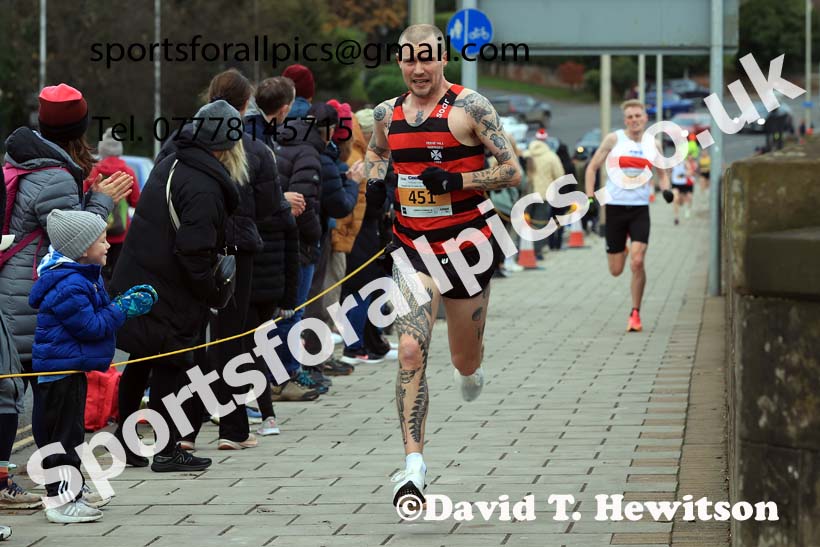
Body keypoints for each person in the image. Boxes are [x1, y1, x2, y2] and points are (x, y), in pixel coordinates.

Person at [364, 24, 521, 507]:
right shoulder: (388, 114)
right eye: (409, 59)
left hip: (467, 248)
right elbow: (376, 150)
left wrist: (456, 181)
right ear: (399, 62)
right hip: (412, 249)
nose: (418, 68)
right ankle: (413, 466)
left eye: (427, 58)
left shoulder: (469, 108)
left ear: (442, 59)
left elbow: (513, 169)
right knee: (410, 350)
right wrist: (375, 183)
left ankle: (471, 373)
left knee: (463, 360)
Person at [110, 100, 242, 471]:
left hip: (140, 279)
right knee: (172, 366)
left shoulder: (172, 162)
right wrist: (211, 292)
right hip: (170, 288)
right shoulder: (204, 184)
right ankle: (167, 450)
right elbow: (194, 251)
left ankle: (127, 443)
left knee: (140, 360)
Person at [156, 69, 277, 451]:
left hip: (189, 250)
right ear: (245, 105)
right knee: (232, 341)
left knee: (193, 340)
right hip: (237, 253)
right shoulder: (255, 149)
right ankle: (233, 428)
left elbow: (160, 187)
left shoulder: (178, 144)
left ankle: (187, 430)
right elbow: (271, 206)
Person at [29, 209, 156, 522]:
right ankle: (60, 501)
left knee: (71, 435)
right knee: (61, 437)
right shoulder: (69, 284)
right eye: (102, 240)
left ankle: (73, 489)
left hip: (69, 369)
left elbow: (99, 312)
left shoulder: (81, 275)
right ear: (82, 249)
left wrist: (121, 301)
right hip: (59, 373)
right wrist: (124, 308)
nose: (109, 245)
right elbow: (92, 326)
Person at [0, 83, 132, 371]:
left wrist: (90, 199)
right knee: (52, 406)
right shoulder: (55, 176)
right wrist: (102, 202)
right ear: (79, 130)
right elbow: (75, 243)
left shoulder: (24, 162)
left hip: (14, 291)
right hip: (32, 301)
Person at [243, 76, 301, 433]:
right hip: (258, 252)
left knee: (250, 337)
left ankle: (258, 412)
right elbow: (264, 201)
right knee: (253, 338)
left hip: (260, 252)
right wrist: (283, 203)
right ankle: (257, 413)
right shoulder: (259, 146)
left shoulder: (256, 137)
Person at [584, 99, 674, 333]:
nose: (635, 120)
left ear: (646, 118)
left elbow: (663, 174)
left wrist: (666, 189)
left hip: (639, 209)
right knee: (616, 271)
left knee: (638, 260)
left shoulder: (653, 144)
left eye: (638, 116)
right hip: (614, 208)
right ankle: (622, 249)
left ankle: (635, 313)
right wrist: (590, 198)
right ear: (626, 120)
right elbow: (592, 167)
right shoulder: (614, 139)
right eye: (630, 117)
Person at [0, 171, 41, 513]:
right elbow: (73, 237)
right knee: (7, 396)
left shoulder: (14, 173)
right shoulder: (53, 177)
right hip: (20, 302)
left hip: (10, 297)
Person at [84, 128, 141, 283]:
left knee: (97, 275)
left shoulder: (94, 172)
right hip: (122, 232)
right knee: (118, 276)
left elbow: (84, 199)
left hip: (97, 233)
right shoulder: (128, 172)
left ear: (102, 150)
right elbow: (136, 201)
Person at [522, 136, 563, 257]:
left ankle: (523, 249)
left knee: (524, 222)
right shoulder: (551, 156)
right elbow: (560, 175)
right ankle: (537, 251)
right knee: (540, 223)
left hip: (527, 194)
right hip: (544, 195)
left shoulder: (526, 155)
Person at [671, 151, 695, 225]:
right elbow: (667, 172)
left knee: (681, 201)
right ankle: (676, 217)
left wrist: (685, 174)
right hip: (675, 184)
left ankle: (687, 209)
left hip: (683, 185)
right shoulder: (672, 163)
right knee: (675, 199)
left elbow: (690, 172)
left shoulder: (685, 163)